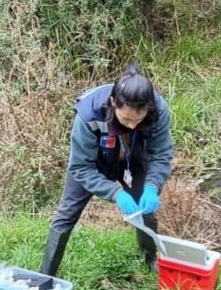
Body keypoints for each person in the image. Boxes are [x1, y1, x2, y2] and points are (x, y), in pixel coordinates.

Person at [40, 65, 175, 278]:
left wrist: (152, 186)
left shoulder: (158, 110)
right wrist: (115, 193)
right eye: (126, 119)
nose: (132, 125)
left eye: (138, 120)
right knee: (66, 214)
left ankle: (148, 259)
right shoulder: (89, 113)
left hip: (134, 159)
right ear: (113, 103)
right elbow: (80, 167)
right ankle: (45, 275)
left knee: (146, 212)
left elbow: (161, 154)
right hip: (94, 162)